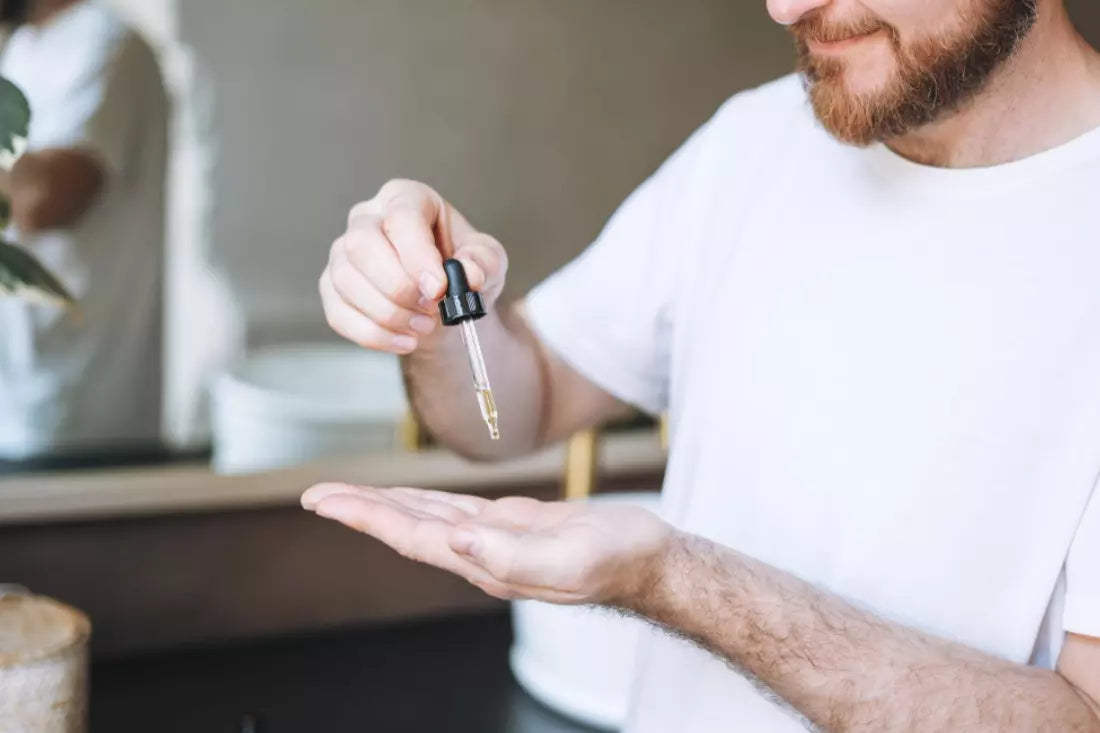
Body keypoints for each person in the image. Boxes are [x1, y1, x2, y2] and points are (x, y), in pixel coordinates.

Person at [309, 0, 1100, 729]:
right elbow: (522, 405)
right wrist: (436, 315)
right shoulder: (752, 142)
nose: (784, 7)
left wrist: (675, 580)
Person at [0, 0, 167, 462]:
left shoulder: (106, 43)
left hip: (82, 415)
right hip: (20, 405)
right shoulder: (26, 48)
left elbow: (42, 200)